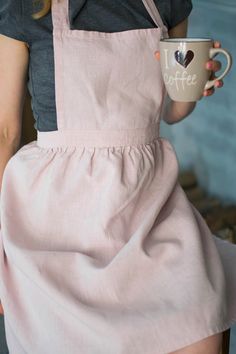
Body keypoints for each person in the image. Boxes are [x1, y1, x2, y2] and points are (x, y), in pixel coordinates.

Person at [0, 0, 235, 353]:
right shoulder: (26, 6)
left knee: (204, 318)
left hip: (148, 205)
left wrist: (192, 89)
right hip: (57, 222)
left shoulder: (166, 4)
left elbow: (170, 109)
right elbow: (5, 131)